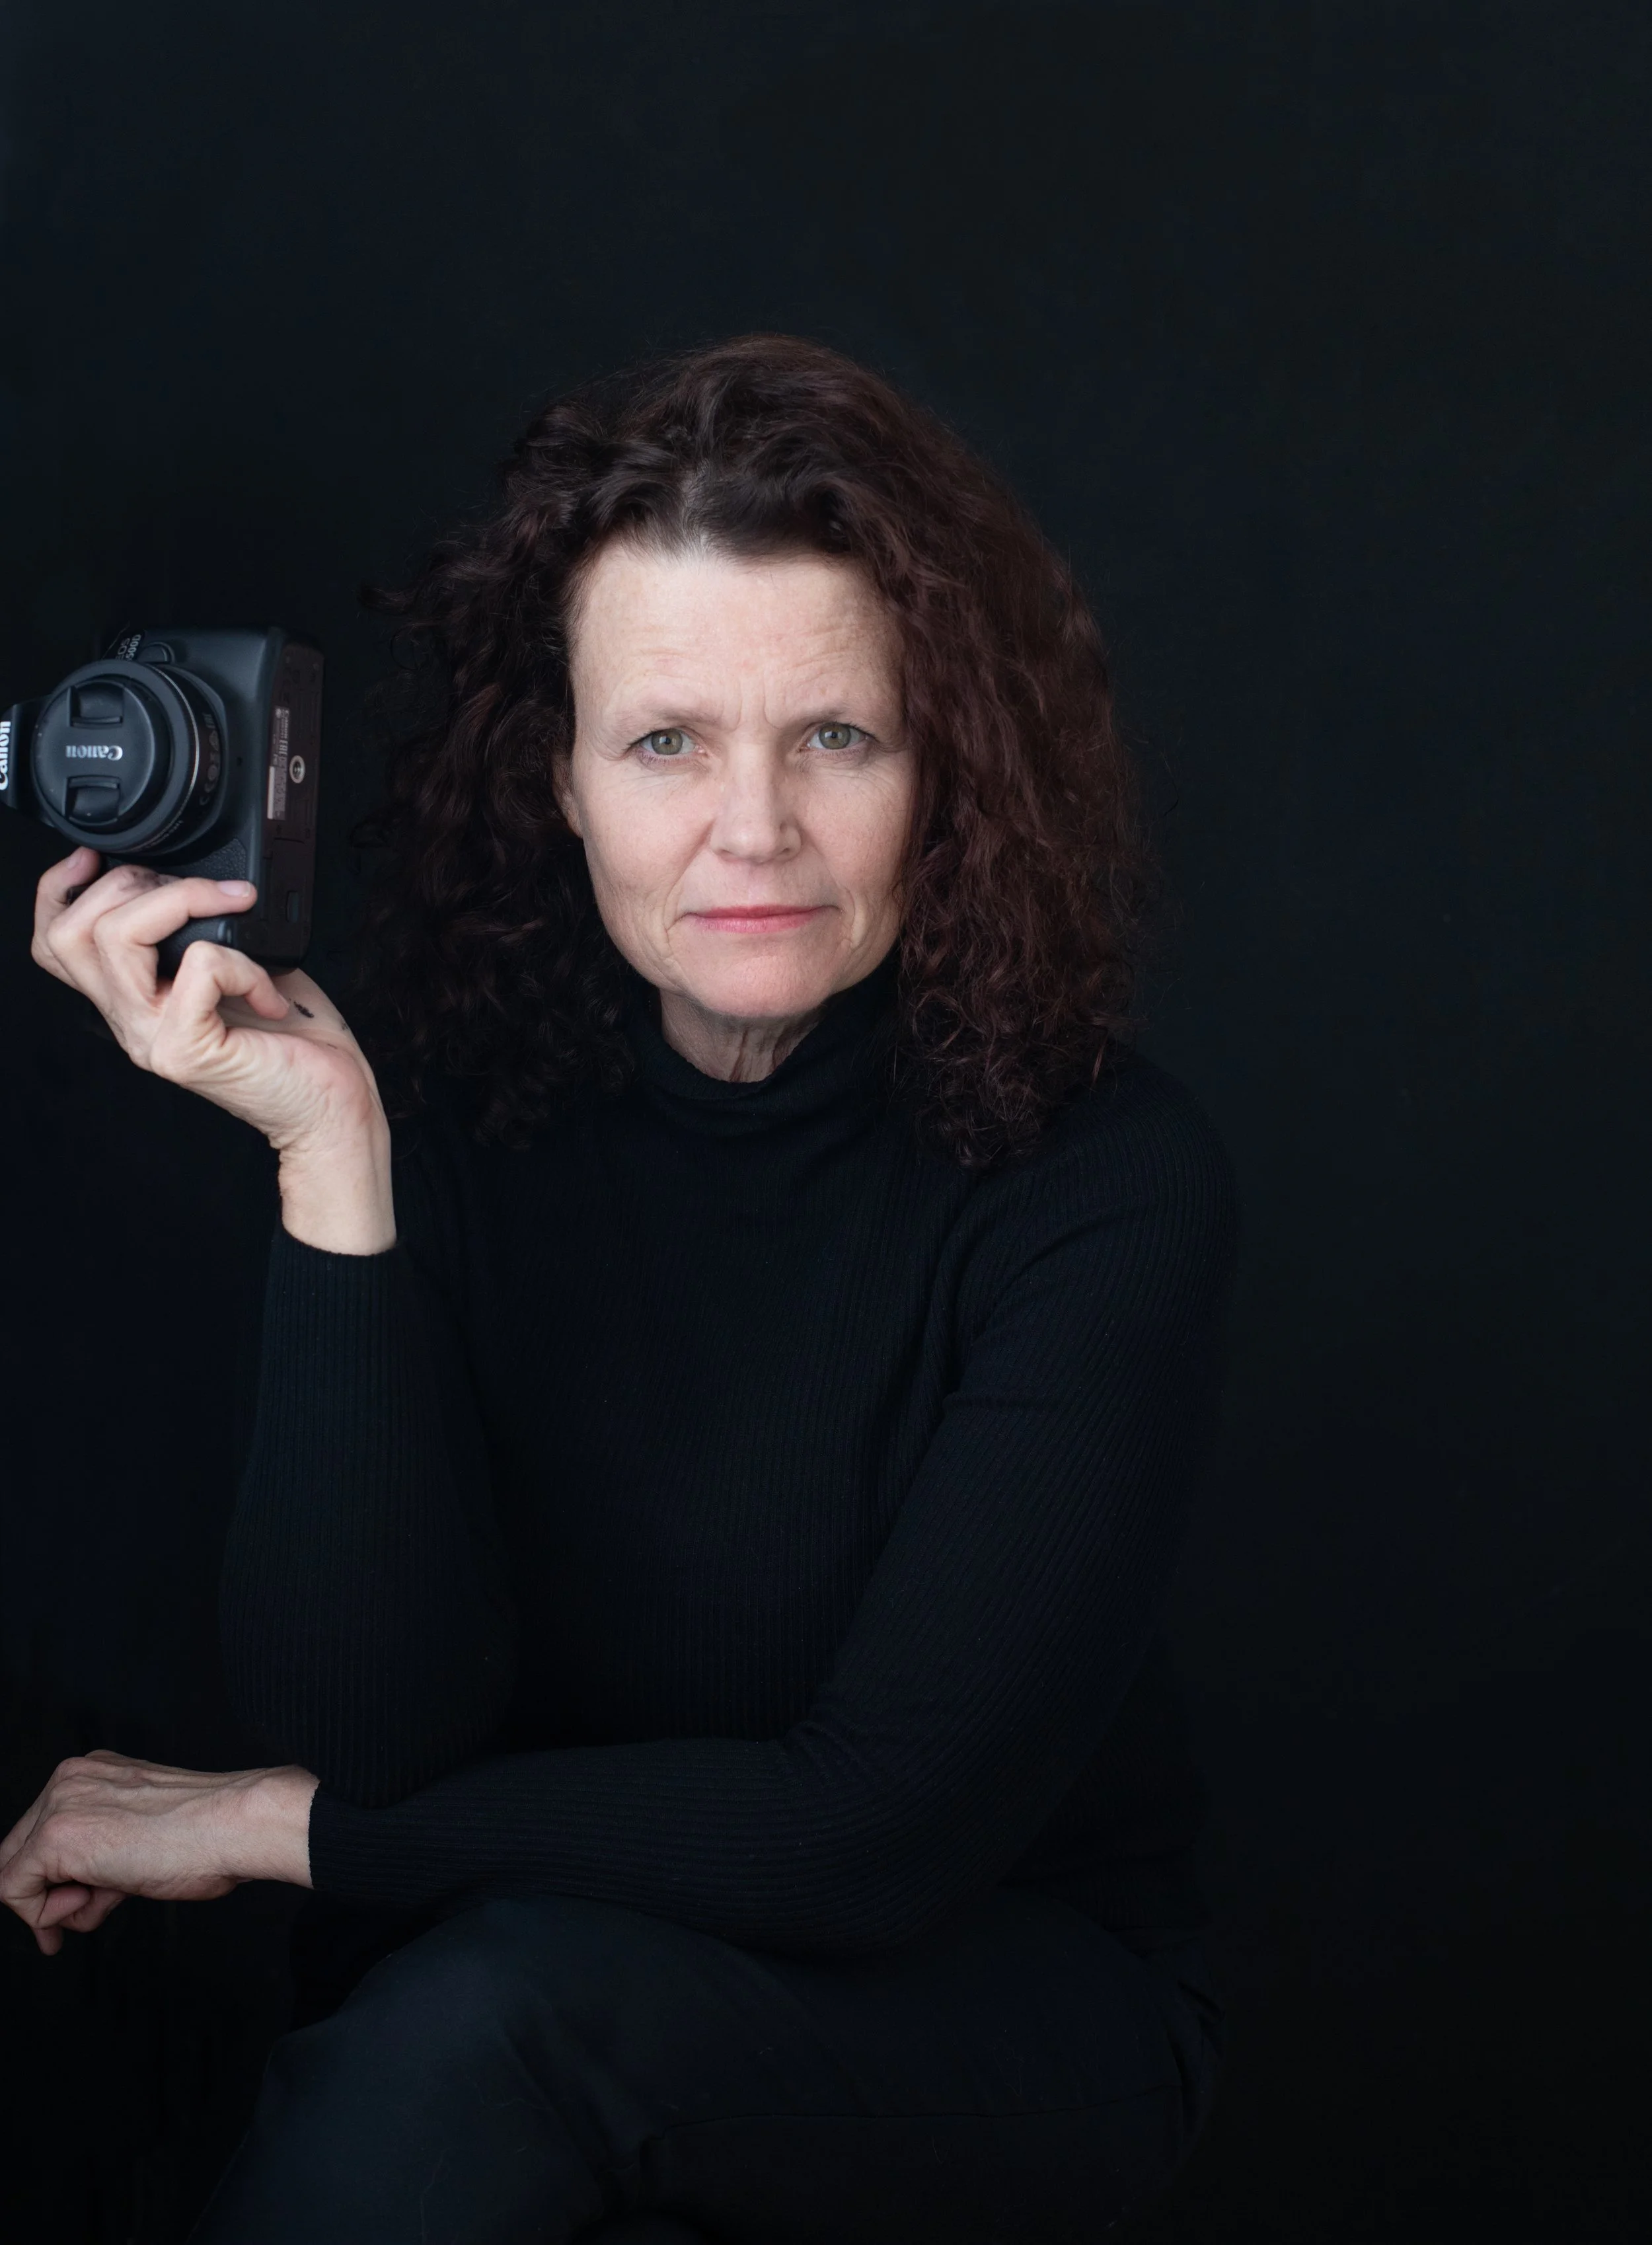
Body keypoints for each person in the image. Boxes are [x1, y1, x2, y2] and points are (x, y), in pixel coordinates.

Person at [3, 336, 1238, 2245]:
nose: (751, 828)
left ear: (949, 771)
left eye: (837, 735)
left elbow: (871, 1829)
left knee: (476, 2027)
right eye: (665, 741)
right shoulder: (471, 1107)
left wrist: (269, 1823)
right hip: (535, 1976)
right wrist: (330, 1161)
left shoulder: (1102, 1183)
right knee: (429, 2021)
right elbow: (380, 1724)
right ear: (561, 781)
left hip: (999, 1996)